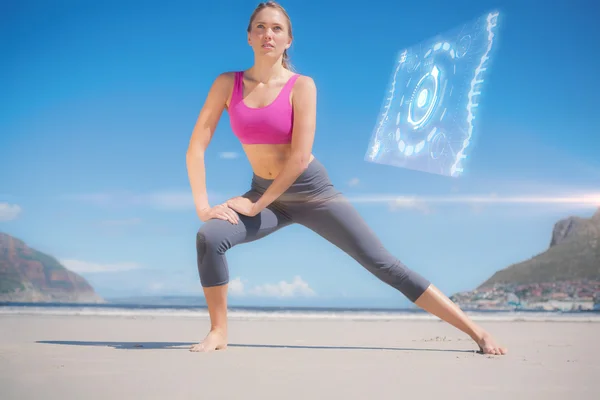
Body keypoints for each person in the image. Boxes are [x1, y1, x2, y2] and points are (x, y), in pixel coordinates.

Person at [186, 1, 507, 356]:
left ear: (289, 40)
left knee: (384, 265)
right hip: (265, 194)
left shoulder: (301, 86)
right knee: (210, 236)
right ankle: (218, 332)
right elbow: (196, 147)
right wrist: (204, 207)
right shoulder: (227, 84)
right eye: (260, 27)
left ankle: (477, 332)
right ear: (248, 36)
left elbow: (298, 159)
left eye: (277, 28)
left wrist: (255, 203)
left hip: (311, 192)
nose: (268, 34)